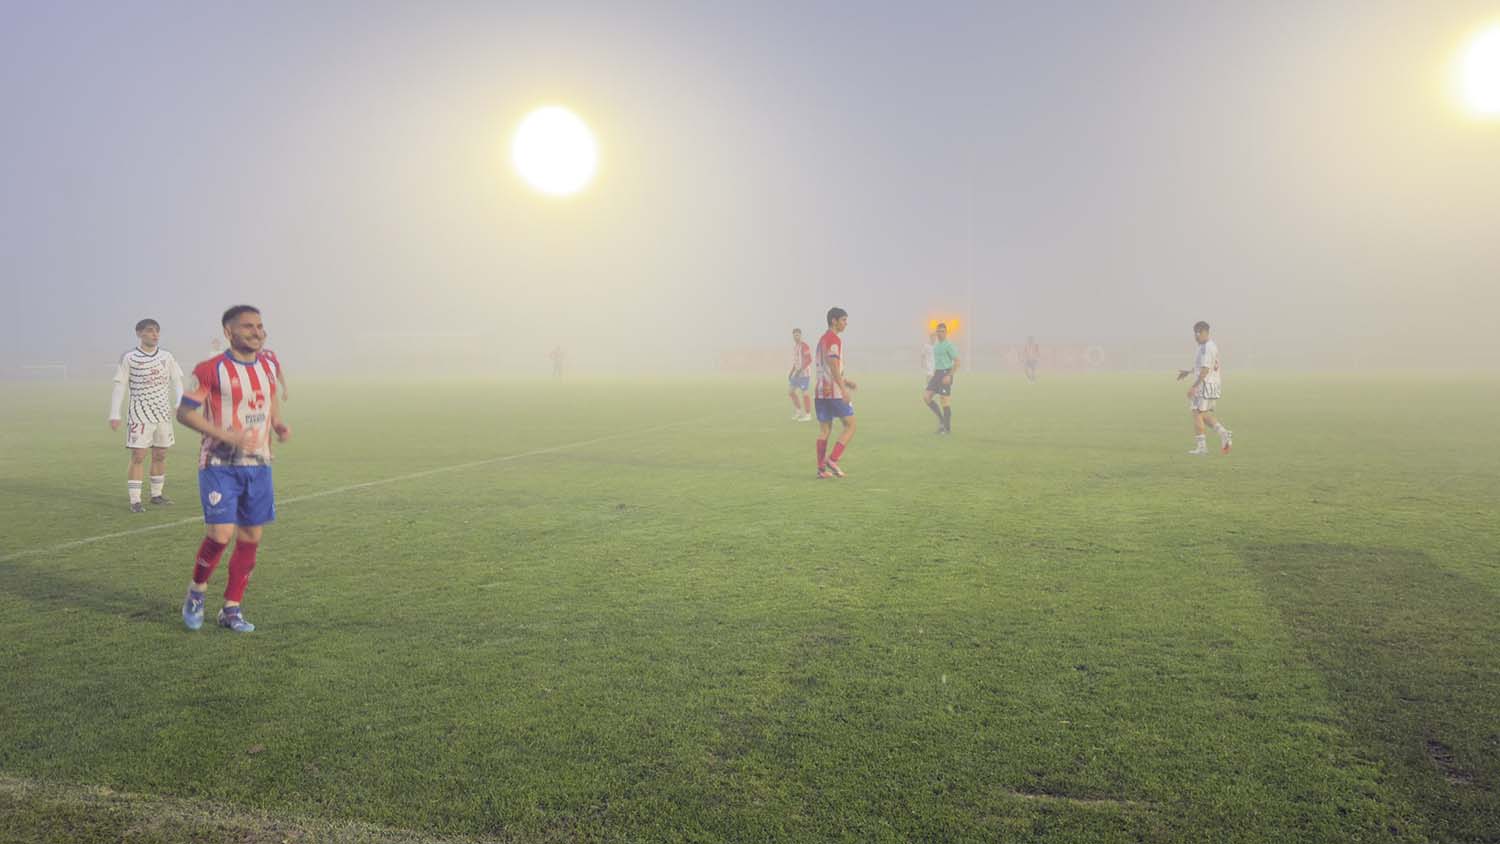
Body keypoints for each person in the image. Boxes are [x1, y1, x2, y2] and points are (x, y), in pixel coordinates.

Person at [176, 305, 291, 633]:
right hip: (219, 464)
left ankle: (231, 608)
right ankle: (197, 592)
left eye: (259, 326)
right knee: (221, 533)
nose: (257, 332)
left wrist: (278, 423)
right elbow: (184, 412)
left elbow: (270, 397)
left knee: (251, 536)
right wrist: (227, 435)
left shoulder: (267, 364)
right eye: (247, 327)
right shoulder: (210, 369)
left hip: (259, 465)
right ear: (228, 332)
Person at [108, 318, 185, 512]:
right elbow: (120, 385)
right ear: (139, 333)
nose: (155, 334)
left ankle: (156, 495)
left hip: (162, 415)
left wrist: (179, 402)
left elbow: (177, 381)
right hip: (139, 415)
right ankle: (135, 500)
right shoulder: (130, 357)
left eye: (157, 331)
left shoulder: (167, 357)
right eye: (150, 331)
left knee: (160, 454)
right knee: (139, 455)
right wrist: (114, 413)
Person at [1176, 320, 1233, 456]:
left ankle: (1202, 448)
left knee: (1196, 412)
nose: (1195, 337)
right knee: (1203, 414)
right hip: (1213, 383)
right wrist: (1189, 372)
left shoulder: (1206, 348)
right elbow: (1201, 366)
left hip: (1205, 384)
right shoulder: (1208, 346)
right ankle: (1224, 433)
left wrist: (1194, 387)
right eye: (1194, 334)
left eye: (1197, 334)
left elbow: (1205, 369)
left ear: (1204, 332)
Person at [814, 307, 857, 478]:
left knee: (825, 431)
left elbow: (827, 368)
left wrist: (845, 381)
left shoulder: (822, 340)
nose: (846, 323)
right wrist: (843, 389)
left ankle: (821, 470)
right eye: (844, 320)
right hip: (834, 392)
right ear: (834, 320)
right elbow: (832, 366)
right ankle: (833, 459)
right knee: (851, 425)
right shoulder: (834, 340)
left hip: (820, 391)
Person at [923, 322, 960, 434]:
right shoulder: (936, 346)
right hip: (937, 374)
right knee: (926, 397)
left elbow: (957, 362)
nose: (940, 333)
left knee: (944, 401)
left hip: (946, 374)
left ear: (946, 332)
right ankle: (941, 420)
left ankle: (947, 428)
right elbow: (936, 361)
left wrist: (950, 375)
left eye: (942, 331)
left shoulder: (949, 345)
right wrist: (932, 374)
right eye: (938, 331)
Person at [787, 328, 813, 421]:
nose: (795, 336)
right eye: (794, 335)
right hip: (797, 374)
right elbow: (796, 362)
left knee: (805, 393)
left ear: (801, 335)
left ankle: (808, 414)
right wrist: (791, 372)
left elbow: (809, 359)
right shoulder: (796, 347)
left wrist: (800, 370)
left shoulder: (804, 346)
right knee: (791, 391)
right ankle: (798, 411)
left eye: (797, 335)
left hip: (804, 374)